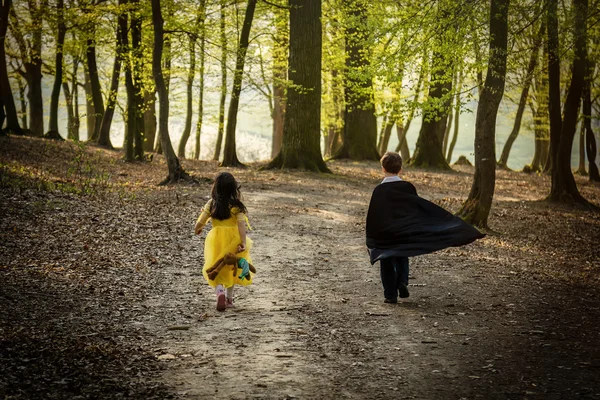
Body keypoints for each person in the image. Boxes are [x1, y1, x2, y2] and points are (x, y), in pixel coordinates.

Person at [366, 152, 485, 304]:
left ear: (383, 168)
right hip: (404, 231)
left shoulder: (379, 190)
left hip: (385, 234)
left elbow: (374, 215)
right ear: (400, 169)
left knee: (386, 261)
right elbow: (416, 209)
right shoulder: (407, 187)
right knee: (402, 255)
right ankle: (402, 281)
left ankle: (390, 295)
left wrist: (371, 239)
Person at [195, 172, 253, 311]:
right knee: (232, 266)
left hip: (216, 239)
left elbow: (200, 223)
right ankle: (229, 299)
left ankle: (219, 290)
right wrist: (243, 242)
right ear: (233, 188)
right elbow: (241, 225)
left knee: (215, 264)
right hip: (234, 239)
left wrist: (198, 228)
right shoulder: (237, 206)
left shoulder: (211, 204)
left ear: (216, 187)